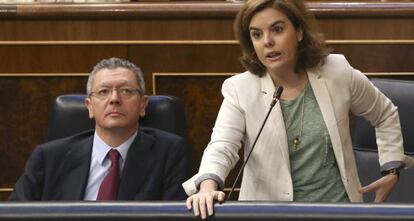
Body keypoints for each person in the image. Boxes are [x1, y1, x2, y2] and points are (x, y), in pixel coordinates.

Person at [183, 0, 414, 219]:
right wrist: (208, 186)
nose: (267, 42)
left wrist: (391, 168)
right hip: (272, 214)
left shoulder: (337, 71)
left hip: (338, 212)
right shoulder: (240, 89)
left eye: (278, 29)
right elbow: (222, 146)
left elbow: (384, 113)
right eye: (257, 34)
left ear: (299, 32)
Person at [9, 57, 188, 201]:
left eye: (126, 91)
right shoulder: (48, 158)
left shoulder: (169, 153)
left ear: (143, 105)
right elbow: (15, 215)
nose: (114, 99)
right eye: (103, 92)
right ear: (89, 106)